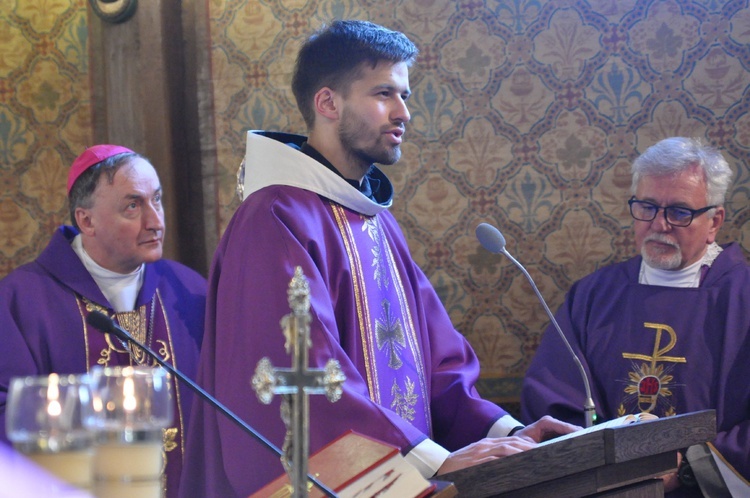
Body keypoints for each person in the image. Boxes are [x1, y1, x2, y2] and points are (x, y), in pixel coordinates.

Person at [181, 20, 578, 497]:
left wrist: (508, 435)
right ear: (328, 103)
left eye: (404, 95)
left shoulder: (374, 219)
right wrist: (431, 459)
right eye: (384, 94)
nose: (404, 112)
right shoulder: (275, 219)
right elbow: (303, 384)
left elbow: (439, 359)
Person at [521, 137, 749, 497]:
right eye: (647, 207)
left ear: (714, 221)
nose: (659, 224)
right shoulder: (593, 295)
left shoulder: (743, 299)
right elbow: (554, 397)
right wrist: (600, 464)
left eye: (679, 211)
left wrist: (691, 466)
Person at [0, 145, 207, 498]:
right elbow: (9, 421)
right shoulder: (22, 299)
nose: (155, 220)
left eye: (157, 200)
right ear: (87, 221)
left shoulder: (189, 292)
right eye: (133, 205)